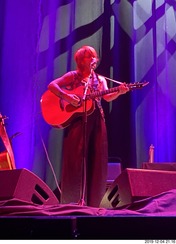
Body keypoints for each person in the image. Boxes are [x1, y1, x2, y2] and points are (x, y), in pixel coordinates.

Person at [47, 45, 129, 207]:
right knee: (76, 159)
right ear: (80, 60)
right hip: (78, 122)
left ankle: (94, 203)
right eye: (89, 56)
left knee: (97, 159)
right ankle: (72, 200)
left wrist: (119, 92)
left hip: (97, 121)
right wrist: (68, 97)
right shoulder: (73, 76)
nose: (93, 59)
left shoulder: (100, 80)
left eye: (94, 56)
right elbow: (52, 86)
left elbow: (107, 97)